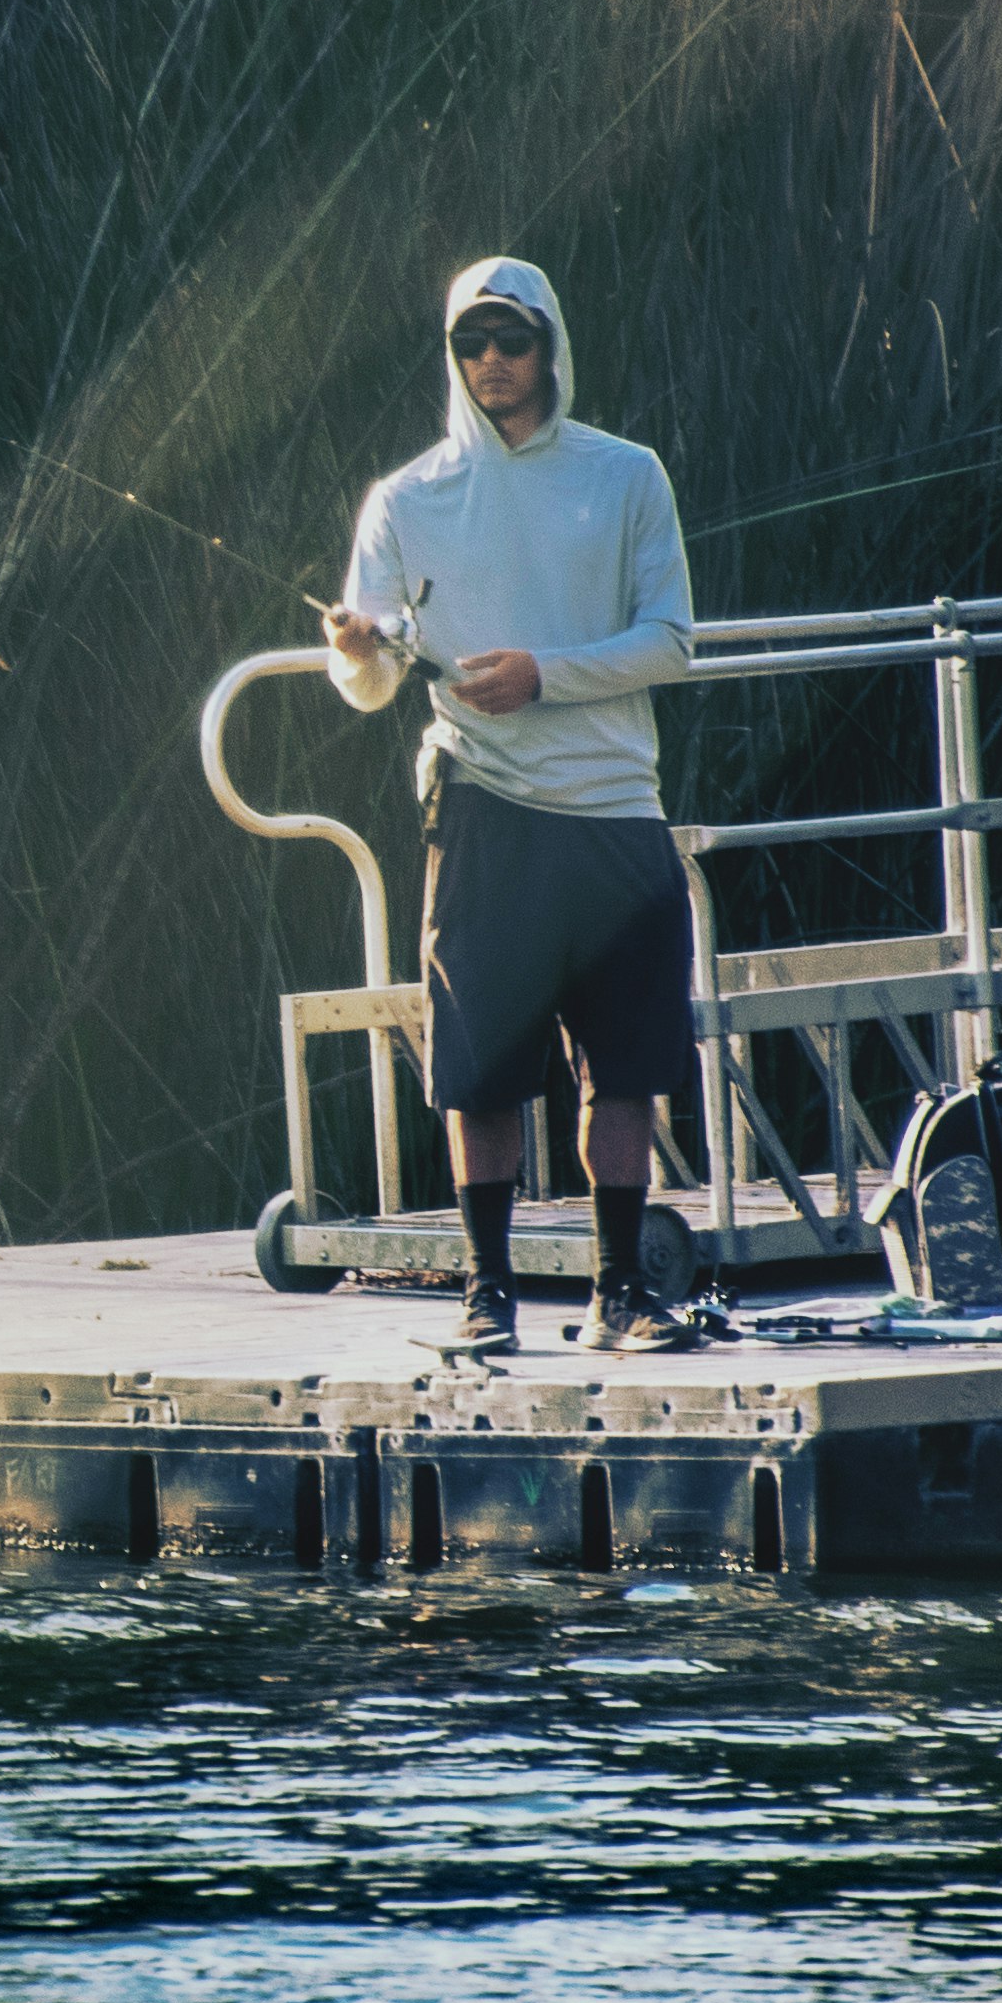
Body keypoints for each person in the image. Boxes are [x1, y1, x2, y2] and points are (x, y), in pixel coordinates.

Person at [322, 255, 699, 1354]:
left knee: (623, 1068)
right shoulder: (405, 497)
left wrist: (545, 673)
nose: (493, 359)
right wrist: (351, 649)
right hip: (483, 809)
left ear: (550, 346)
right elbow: (374, 678)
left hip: (615, 808)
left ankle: (619, 1290)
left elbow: (671, 642)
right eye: (471, 340)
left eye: (513, 337)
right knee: (480, 1070)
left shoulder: (627, 475)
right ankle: (486, 1293)